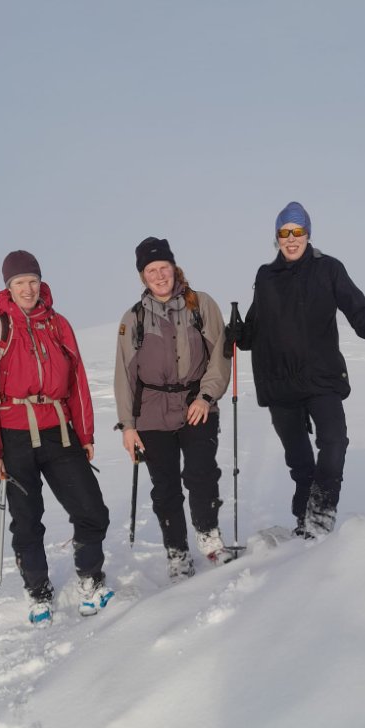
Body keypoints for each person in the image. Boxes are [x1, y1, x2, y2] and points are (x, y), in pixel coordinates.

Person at [225, 202, 365, 537]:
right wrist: (238, 334)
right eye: (284, 233)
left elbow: (356, 309)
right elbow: (254, 328)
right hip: (278, 381)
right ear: (277, 238)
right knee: (299, 461)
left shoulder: (329, 269)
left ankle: (321, 513)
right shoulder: (266, 276)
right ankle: (304, 522)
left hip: (321, 376)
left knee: (334, 441)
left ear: (308, 234)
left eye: (297, 231)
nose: (291, 239)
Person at [0, 250, 111, 625]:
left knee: (92, 510)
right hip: (13, 436)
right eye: (20, 282)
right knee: (27, 521)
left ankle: (90, 580)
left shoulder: (58, 324)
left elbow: (77, 380)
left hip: (59, 431)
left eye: (33, 281)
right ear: (8, 286)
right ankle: (38, 594)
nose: (28, 289)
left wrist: (85, 433)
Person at [114, 237, 231, 580]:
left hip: (197, 404)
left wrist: (206, 397)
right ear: (143, 276)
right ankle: (177, 553)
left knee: (201, 474)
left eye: (163, 267)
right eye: (151, 270)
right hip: (151, 413)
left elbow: (220, 356)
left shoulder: (201, 305)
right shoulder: (133, 318)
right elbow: (124, 376)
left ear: (174, 267)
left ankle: (209, 538)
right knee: (165, 488)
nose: (159, 275)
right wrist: (128, 426)